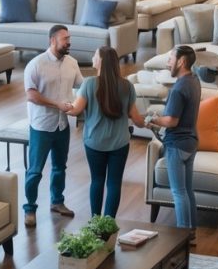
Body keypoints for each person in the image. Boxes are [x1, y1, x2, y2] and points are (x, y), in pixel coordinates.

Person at [67, 46, 146, 217]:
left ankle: (95, 222)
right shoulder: (127, 86)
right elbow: (137, 120)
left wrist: (59, 105)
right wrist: (149, 121)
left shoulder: (89, 84)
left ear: (101, 61)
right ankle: (108, 224)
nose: (92, 57)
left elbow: (75, 110)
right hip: (120, 144)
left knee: (97, 180)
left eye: (95, 55)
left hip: (94, 142)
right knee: (114, 183)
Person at [23, 24, 83, 228]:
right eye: (65, 39)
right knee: (35, 171)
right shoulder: (36, 65)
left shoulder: (72, 63)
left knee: (59, 167)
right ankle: (30, 209)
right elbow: (31, 95)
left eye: (69, 38)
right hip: (41, 126)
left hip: (62, 125)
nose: (69, 42)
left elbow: (82, 86)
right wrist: (57, 104)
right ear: (52, 40)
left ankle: (57, 202)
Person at [145, 45, 201, 240]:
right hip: (191, 142)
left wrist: (153, 119)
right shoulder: (194, 81)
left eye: (170, 59)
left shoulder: (178, 88)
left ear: (181, 61)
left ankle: (183, 235)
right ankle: (191, 232)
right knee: (187, 190)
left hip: (177, 145)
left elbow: (171, 121)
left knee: (178, 192)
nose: (168, 62)